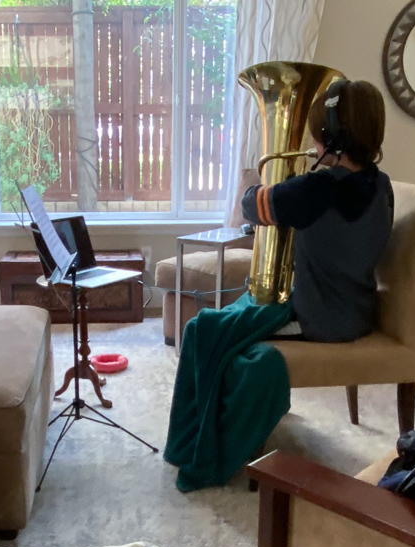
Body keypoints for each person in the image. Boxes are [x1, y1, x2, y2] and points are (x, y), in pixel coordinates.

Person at [162, 79, 393, 492]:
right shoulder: (381, 184)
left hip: (316, 317)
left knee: (201, 329)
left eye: (318, 132)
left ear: (333, 136)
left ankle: (195, 450)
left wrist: (268, 180)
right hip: (356, 310)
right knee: (227, 325)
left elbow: (250, 204)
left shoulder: (318, 189)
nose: (312, 141)